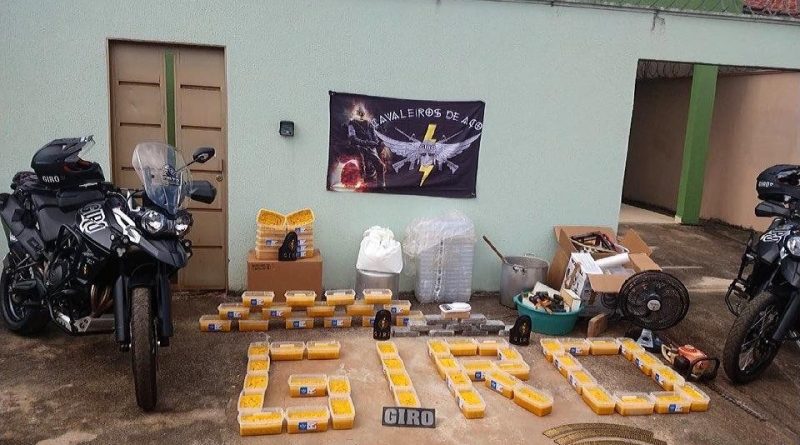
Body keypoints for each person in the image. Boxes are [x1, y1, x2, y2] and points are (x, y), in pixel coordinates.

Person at [347, 107, 386, 187]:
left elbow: (375, 138)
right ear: (355, 114)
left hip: (371, 149)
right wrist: (368, 143)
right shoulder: (352, 123)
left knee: (380, 166)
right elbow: (353, 139)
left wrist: (374, 143)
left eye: (362, 113)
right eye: (359, 113)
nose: (361, 115)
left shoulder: (369, 124)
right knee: (363, 169)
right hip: (359, 148)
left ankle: (381, 186)